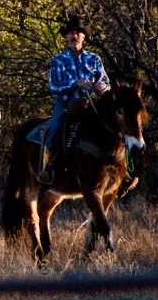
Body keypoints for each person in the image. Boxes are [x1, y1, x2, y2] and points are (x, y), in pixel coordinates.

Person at [37, 17, 110, 185]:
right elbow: (54, 86)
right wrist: (74, 83)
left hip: (90, 104)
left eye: (77, 33)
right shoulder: (58, 60)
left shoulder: (94, 59)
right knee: (55, 127)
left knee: (115, 126)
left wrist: (102, 87)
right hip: (66, 105)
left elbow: (106, 83)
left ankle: (122, 170)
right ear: (66, 38)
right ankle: (47, 167)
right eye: (70, 33)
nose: (74, 36)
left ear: (83, 37)